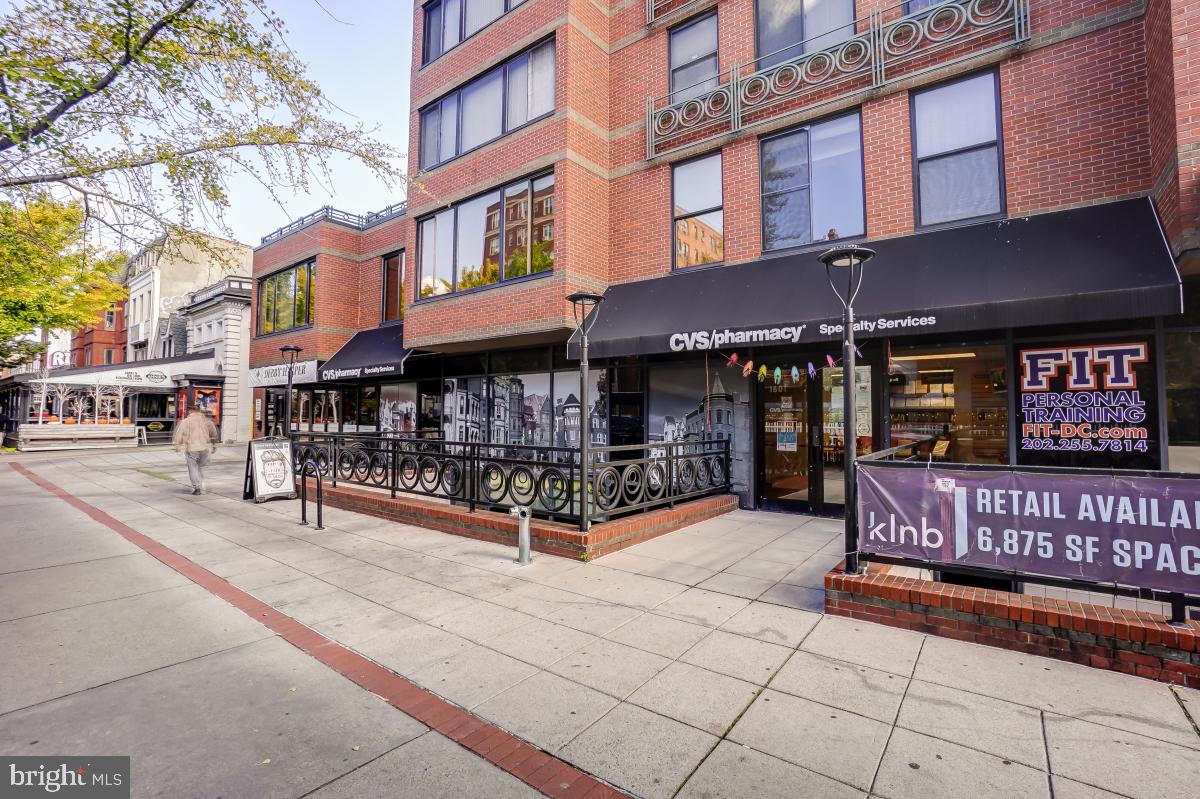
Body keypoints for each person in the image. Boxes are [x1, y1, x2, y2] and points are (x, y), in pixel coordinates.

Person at [173, 404, 219, 495]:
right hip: (205, 448)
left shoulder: (186, 421)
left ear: (190, 411)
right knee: (200, 467)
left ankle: (197, 488)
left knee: (193, 468)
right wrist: (214, 445)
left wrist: (177, 445)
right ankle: (201, 483)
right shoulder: (207, 421)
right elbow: (213, 433)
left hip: (192, 448)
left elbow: (179, 434)